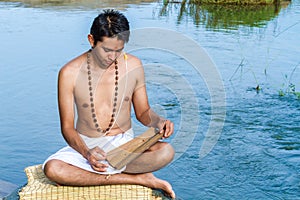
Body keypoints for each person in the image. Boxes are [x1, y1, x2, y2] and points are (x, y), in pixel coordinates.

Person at [43, 9, 176, 198]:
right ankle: (136, 179)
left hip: (125, 147)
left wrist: (158, 121)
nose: (112, 57)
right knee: (53, 169)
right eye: (106, 50)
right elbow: (67, 128)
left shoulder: (134, 66)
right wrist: (87, 153)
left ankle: (97, 175)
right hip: (88, 147)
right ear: (91, 40)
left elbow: (143, 112)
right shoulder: (69, 73)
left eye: (119, 50)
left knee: (166, 152)